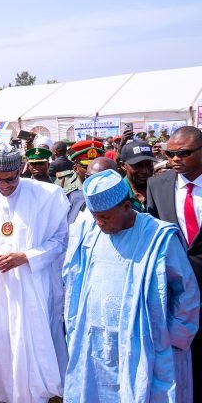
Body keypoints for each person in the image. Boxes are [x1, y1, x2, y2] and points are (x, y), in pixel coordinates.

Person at [64, 170, 199, 402]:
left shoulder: (160, 237)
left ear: (126, 206)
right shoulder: (88, 232)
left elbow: (186, 291)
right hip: (96, 342)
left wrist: (174, 339)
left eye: (105, 217)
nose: (99, 223)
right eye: (95, 216)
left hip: (145, 344)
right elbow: (73, 279)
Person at [0, 144, 68, 403]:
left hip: (30, 286)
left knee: (29, 343)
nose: (5, 186)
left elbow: (60, 241)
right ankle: (2, 392)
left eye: (11, 179)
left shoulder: (48, 195)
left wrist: (26, 257)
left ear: (21, 169)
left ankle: (31, 394)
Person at [146, 125, 202, 401]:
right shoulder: (157, 185)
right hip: (176, 296)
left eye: (183, 153)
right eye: (170, 153)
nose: (175, 159)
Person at [120, 140, 156, 213]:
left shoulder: (161, 190)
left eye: (148, 164)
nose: (144, 171)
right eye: (137, 165)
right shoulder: (117, 194)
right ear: (123, 166)